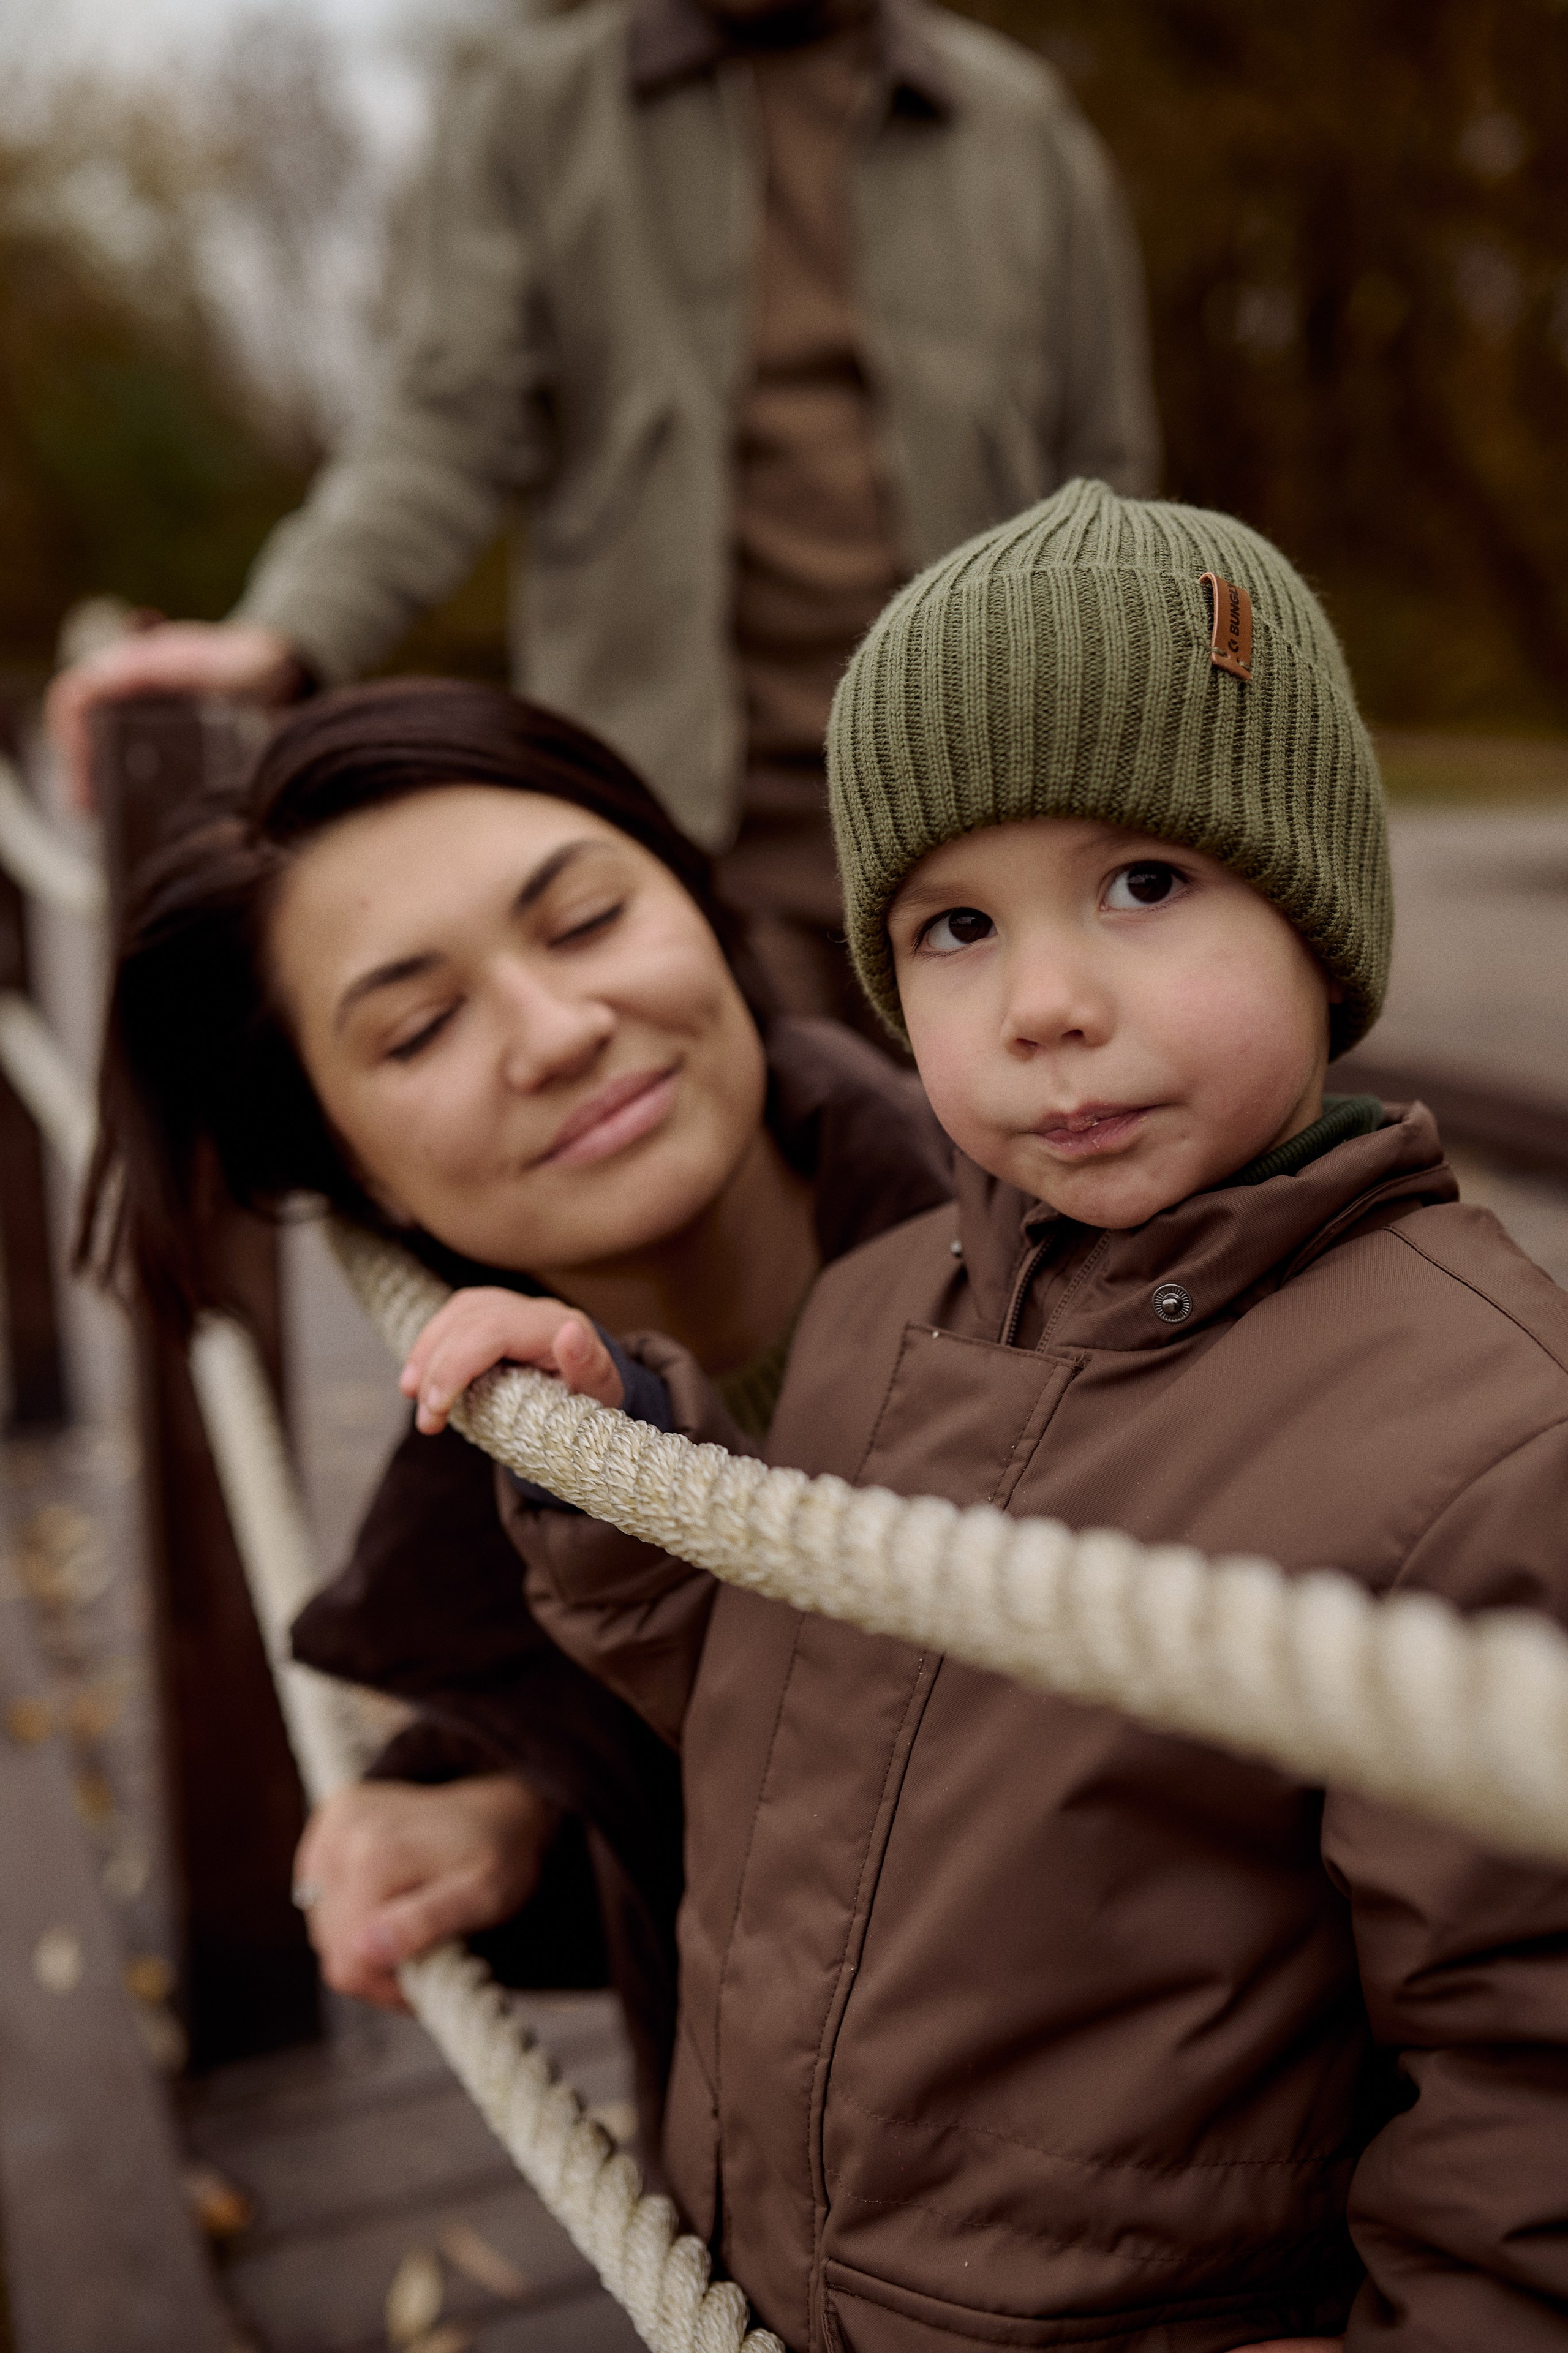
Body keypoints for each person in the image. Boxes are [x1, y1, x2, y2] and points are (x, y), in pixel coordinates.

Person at [398, 484, 1568, 2349]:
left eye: (1146, 885)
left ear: (1320, 908)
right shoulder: (878, 1310)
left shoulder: (1491, 1440)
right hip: (757, 2281)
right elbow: (795, 1733)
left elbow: (1533, 2075)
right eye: (954, 925)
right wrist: (621, 1463)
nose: (1043, 1004)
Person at [81, 675, 950, 2144]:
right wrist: (509, 1786)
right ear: (349, 1170)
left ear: (696, 894)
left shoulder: (1103, 1236)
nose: (557, 1030)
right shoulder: (503, 1502)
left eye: (589, 920)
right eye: (418, 1029)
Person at [46, 0, 1158, 1020]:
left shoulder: (1022, 128)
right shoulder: (532, 116)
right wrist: (281, 637)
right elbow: (446, 428)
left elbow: (1112, 485)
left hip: (995, 809)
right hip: (683, 835)